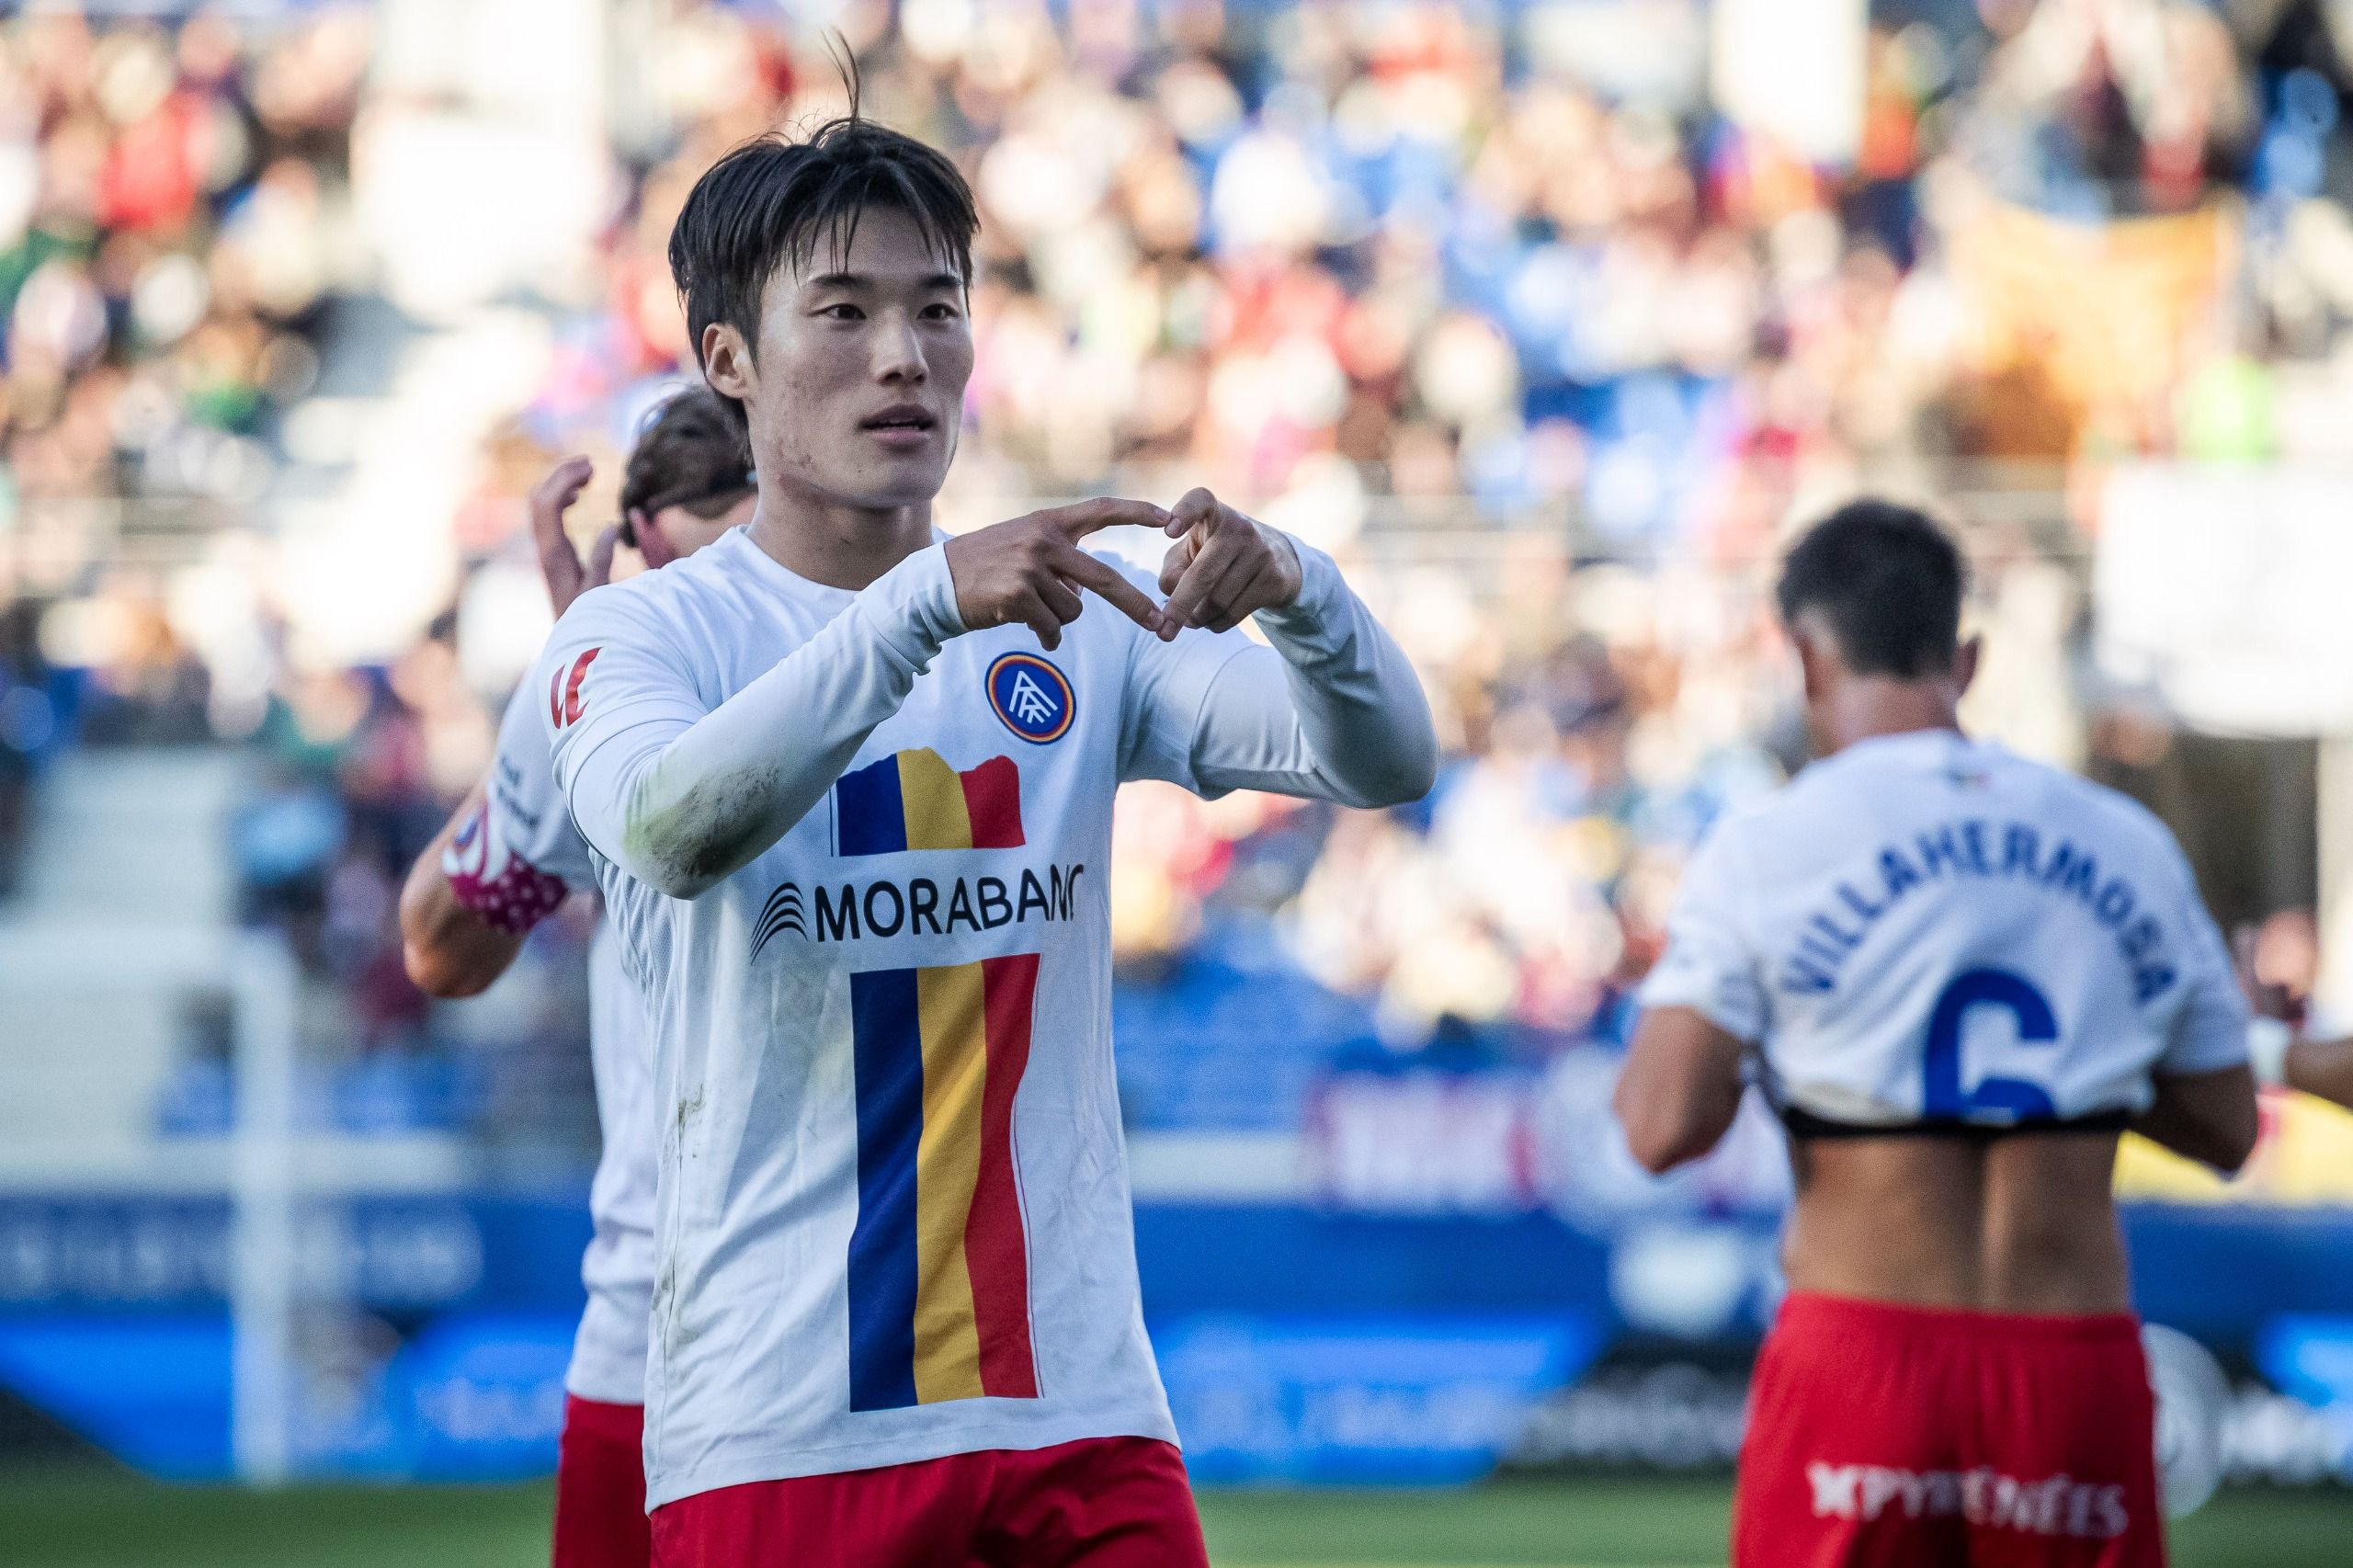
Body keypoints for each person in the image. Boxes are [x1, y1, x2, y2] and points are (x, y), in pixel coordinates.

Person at [530, 111, 1435, 1566]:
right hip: (784, 1433)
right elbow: (668, 827)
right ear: (729, 360)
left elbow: (1383, 758)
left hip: (1076, 1417)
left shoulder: (1073, 617)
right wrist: (921, 603)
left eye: (937, 308)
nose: (904, 354)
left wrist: (1304, 591)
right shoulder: (638, 636)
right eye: (844, 312)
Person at [1614, 500, 2258, 1568]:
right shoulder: (2124, 841)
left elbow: (1656, 1126)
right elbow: (2228, 1126)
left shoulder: (1768, 846)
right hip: (2068, 1365)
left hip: (1861, 1356)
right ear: (1965, 658)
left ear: (1806, 657)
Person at [399, 386, 757, 1568]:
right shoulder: (916, 647)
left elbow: (441, 945)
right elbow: (440, 948)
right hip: (689, 1345)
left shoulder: (619, 670)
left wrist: (574, 689)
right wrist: (570, 700)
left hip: (742, 1348)